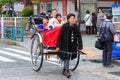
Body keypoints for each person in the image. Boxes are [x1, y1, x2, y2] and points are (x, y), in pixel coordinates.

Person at [56, 13, 83, 78]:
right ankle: (66, 71)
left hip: (72, 44)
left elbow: (79, 36)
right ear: (68, 19)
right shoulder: (64, 26)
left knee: (69, 56)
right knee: (67, 56)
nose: (73, 20)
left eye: (73, 18)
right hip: (64, 44)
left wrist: (80, 46)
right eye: (71, 18)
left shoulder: (76, 26)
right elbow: (60, 36)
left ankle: (64, 70)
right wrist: (58, 46)